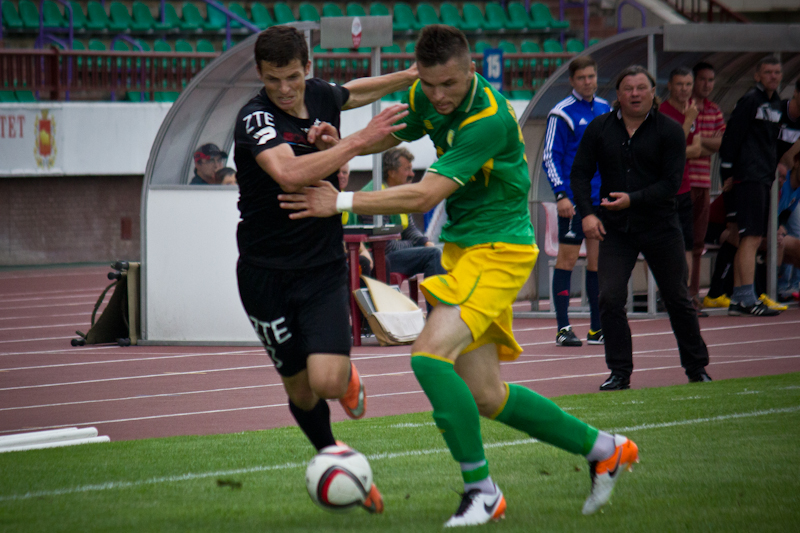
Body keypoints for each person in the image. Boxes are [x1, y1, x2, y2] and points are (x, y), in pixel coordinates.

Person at [279, 25, 639, 527]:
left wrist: (338, 200)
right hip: (464, 250)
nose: (438, 96)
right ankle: (605, 449)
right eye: (429, 85)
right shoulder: (426, 93)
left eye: (449, 84)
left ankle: (482, 492)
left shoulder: (488, 119)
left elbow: (425, 195)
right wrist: (343, 145)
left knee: (428, 357)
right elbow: (394, 133)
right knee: (487, 395)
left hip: (498, 250)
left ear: (471, 69)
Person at [233, 25, 417, 514]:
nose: (284, 88)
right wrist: (358, 142)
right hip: (264, 275)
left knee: (329, 382)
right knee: (299, 388)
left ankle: (347, 380)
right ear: (260, 73)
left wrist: (410, 75)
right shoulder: (255, 118)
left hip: (320, 268)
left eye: (293, 77)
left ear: (307, 68)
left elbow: (352, 91)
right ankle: (338, 460)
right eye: (273, 79)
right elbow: (289, 173)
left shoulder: (319, 95)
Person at [569, 65, 712, 391]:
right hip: (615, 228)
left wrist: (632, 199)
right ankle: (619, 373)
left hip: (661, 225)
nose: (635, 94)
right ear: (618, 95)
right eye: (628, 89)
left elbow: (671, 183)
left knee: (677, 298)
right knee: (610, 298)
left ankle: (696, 368)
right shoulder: (600, 128)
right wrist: (588, 215)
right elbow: (579, 174)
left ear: (653, 93)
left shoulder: (670, 131)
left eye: (641, 88)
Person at [542, 55, 610, 347]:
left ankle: (596, 328)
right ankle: (563, 328)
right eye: (581, 78)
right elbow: (550, 157)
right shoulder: (561, 112)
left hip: (601, 200)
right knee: (567, 260)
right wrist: (560, 194)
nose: (587, 82)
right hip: (573, 201)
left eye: (591, 76)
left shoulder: (606, 108)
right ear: (571, 81)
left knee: (597, 263)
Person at [718, 56, 783, 316]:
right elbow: (732, 137)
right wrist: (727, 172)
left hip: (763, 176)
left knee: (749, 238)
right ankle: (746, 297)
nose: (773, 76)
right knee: (751, 238)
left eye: (777, 72)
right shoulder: (750, 101)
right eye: (768, 72)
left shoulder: (776, 103)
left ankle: (739, 297)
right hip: (748, 177)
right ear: (757, 76)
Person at [352, 146, 447, 312]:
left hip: (391, 253)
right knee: (433, 255)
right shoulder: (374, 196)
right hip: (378, 258)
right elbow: (386, 245)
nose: (412, 174)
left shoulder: (397, 193)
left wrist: (424, 242)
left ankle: (434, 312)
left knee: (433, 251)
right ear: (391, 172)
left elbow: (410, 229)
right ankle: (438, 314)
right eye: (407, 169)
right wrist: (417, 245)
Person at [658, 67, 705, 316]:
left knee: (687, 243)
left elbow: (696, 149)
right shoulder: (663, 113)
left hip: (685, 187)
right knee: (664, 244)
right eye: (680, 84)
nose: (685, 89)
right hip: (665, 191)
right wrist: (687, 122)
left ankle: (684, 295)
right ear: (670, 86)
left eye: (688, 84)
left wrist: (680, 148)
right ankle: (663, 295)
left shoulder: (691, 111)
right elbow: (669, 150)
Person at [687, 62, 726, 308]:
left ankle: (692, 293)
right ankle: (678, 293)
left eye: (711, 80)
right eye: (702, 79)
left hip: (703, 183)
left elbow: (722, 143)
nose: (707, 84)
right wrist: (704, 143)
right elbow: (680, 143)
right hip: (683, 183)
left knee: (697, 242)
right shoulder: (684, 107)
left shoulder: (715, 110)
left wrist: (697, 143)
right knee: (680, 241)